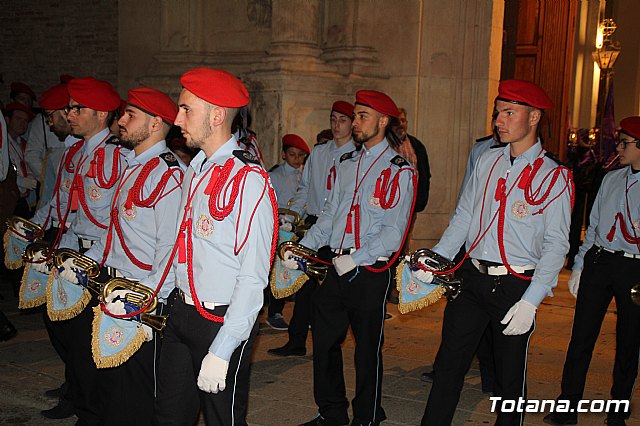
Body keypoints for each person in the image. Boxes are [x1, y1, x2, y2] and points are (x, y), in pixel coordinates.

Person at [416, 79, 573, 425]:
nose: (499, 120)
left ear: (533, 118)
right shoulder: (487, 160)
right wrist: (438, 260)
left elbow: (556, 245)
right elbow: (465, 216)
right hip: (471, 279)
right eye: (497, 112)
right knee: (448, 367)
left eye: (508, 113)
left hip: (515, 284)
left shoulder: (554, 175)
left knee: (509, 382)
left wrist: (531, 301)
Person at [284, 90, 415, 426]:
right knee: (325, 343)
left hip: (369, 271)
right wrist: (306, 247)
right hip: (334, 266)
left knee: (367, 351)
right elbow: (329, 215)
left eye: (362, 116)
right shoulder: (346, 164)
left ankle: (367, 416)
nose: (355, 123)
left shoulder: (399, 171)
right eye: (354, 116)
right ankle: (331, 412)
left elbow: (394, 231)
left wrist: (359, 258)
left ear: (383, 122)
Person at [153, 67, 276, 426]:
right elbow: (183, 246)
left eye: (186, 109)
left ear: (217, 116)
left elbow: (253, 277)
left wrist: (222, 350)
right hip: (181, 312)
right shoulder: (196, 168)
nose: (176, 119)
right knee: (168, 414)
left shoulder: (249, 179)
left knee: (223, 418)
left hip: (220, 319)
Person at [77, 87, 184, 425]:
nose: (120, 120)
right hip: (114, 287)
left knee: (135, 391)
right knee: (110, 382)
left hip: (140, 293)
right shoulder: (133, 166)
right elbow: (114, 231)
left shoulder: (168, 174)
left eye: (130, 115)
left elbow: (170, 250)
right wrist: (89, 260)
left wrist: (145, 300)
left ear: (156, 123)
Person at [543, 116, 640, 426]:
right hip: (601, 261)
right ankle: (567, 406)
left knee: (629, 342)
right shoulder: (611, 178)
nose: (618, 148)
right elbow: (595, 226)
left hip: (635, 268)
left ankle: (618, 411)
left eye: (625, 143)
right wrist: (581, 265)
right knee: (581, 336)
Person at [41, 76, 126, 423]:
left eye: (78, 108)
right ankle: (76, 392)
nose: (70, 114)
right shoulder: (75, 151)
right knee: (58, 326)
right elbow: (61, 201)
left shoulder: (118, 155)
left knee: (82, 340)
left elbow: (120, 216)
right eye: (70, 107)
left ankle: (88, 408)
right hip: (68, 250)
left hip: (98, 257)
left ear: (102, 114)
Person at [269, 100, 355, 357]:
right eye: (333, 119)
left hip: (340, 229)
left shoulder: (356, 156)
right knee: (304, 286)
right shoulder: (318, 153)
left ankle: (327, 342)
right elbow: (306, 189)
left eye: (343, 120)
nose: (337, 125)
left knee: (331, 292)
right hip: (315, 224)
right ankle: (296, 341)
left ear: (352, 124)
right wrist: (292, 215)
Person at [266, 133, 310, 330]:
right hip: (281, 228)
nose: (297, 159)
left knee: (297, 269)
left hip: (299, 228)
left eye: (301, 155)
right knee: (279, 270)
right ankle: (274, 311)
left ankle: (302, 314)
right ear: (284, 154)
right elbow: (269, 201)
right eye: (292, 154)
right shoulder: (275, 175)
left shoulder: (305, 175)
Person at [4, 102, 38, 217]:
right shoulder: (2, 143)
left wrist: (31, 177)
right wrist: (20, 181)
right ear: (7, 120)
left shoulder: (24, 144)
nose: (22, 123)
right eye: (18, 118)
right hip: (5, 197)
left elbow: (28, 165)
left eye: (25, 121)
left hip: (22, 199)